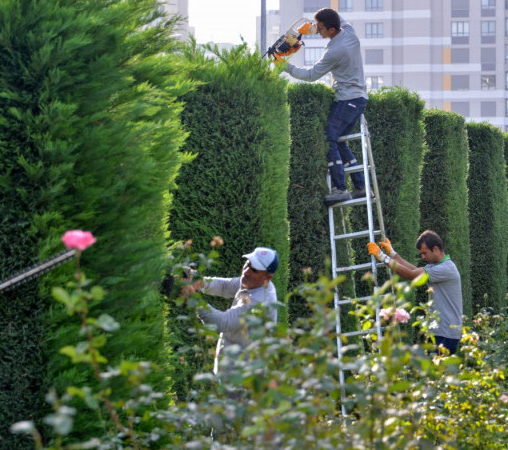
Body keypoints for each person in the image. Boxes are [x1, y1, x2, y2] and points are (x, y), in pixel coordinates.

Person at [282, 8, 368, 206]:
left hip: (348, 100)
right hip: (358, 98)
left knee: (329, 137)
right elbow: (338, 17)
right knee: (339, 141)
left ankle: (340, 188)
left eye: (320, 28)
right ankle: (361, 186)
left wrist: (284, 65)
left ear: (331, 29)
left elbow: (311, 75)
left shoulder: (335, 50)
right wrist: (309, 28)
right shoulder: (349, 31)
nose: (317, 31)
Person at [180, 247, 279, 375]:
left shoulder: (261, 302)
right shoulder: (252, 282)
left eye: (254, 270)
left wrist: (193, 299)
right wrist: (199, 281)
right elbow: (225, 286)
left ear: (267, 278)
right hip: (228, 366)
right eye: (247, 264)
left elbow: (221, 323)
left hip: (243, 377)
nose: (246, 272)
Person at [367, 230, 463, 354]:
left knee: (438, 371)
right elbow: (414, 270)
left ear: (435, 249)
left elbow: (412, 275)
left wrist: (382, 257)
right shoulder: (437, 266)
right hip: (441, 332)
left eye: (425, 253)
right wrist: (392, 254)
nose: (423, 257)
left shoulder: (446, 268)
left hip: (446, 334)